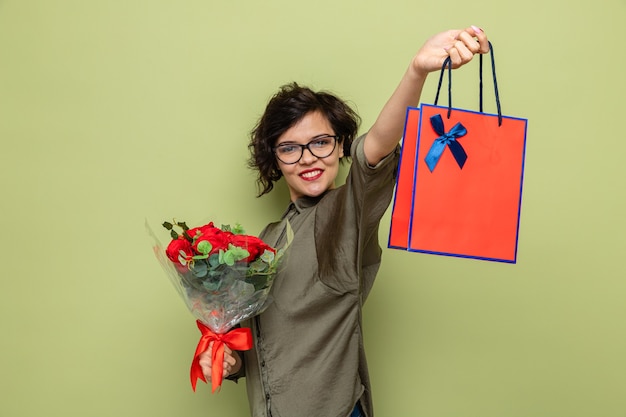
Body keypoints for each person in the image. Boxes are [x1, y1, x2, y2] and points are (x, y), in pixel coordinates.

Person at [198, 26, 490, 417]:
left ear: (340, 145)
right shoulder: (265, 241)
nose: (307, 158)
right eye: (290, 148)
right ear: (275, 159)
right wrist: (228, 360)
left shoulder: (345, 212)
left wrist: (417, 71)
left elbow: (375, 152)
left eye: (320, 142)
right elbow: (263, 339)